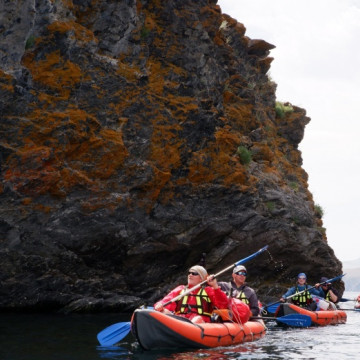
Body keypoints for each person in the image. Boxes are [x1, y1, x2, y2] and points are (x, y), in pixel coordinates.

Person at [154, 265, 228, 324]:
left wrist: (215, 286)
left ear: (201, 279)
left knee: (197, 319)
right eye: (189, 273)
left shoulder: (208, 290)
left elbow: (222, 304)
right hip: (180, 320)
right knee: (163, 311)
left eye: (194, 273)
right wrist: (159, 305)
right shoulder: (181, 289)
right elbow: (166, 301)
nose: (190, 275)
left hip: (201, 322)